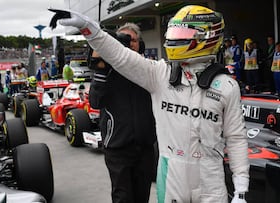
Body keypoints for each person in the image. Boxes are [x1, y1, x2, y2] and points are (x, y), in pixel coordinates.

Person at [51, 4, 249, 203]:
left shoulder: (227, 86)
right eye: (174, 32)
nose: (173, 39)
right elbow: (120, 56)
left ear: (206, 37)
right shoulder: (160, 74)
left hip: (210, 177)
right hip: (171, 173)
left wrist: (241, 189)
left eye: (181, 33)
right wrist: (89, 29)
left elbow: (236, 138)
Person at [88, 23, 156, 203]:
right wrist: (101, 70)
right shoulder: (106, 71)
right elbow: (95, 102)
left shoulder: (149, 69)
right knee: (123, 198)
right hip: (118, 147)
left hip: (145, 147)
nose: (128, 43)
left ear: (139, 44)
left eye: (132, 40)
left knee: (143, 196)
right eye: (122, 40)